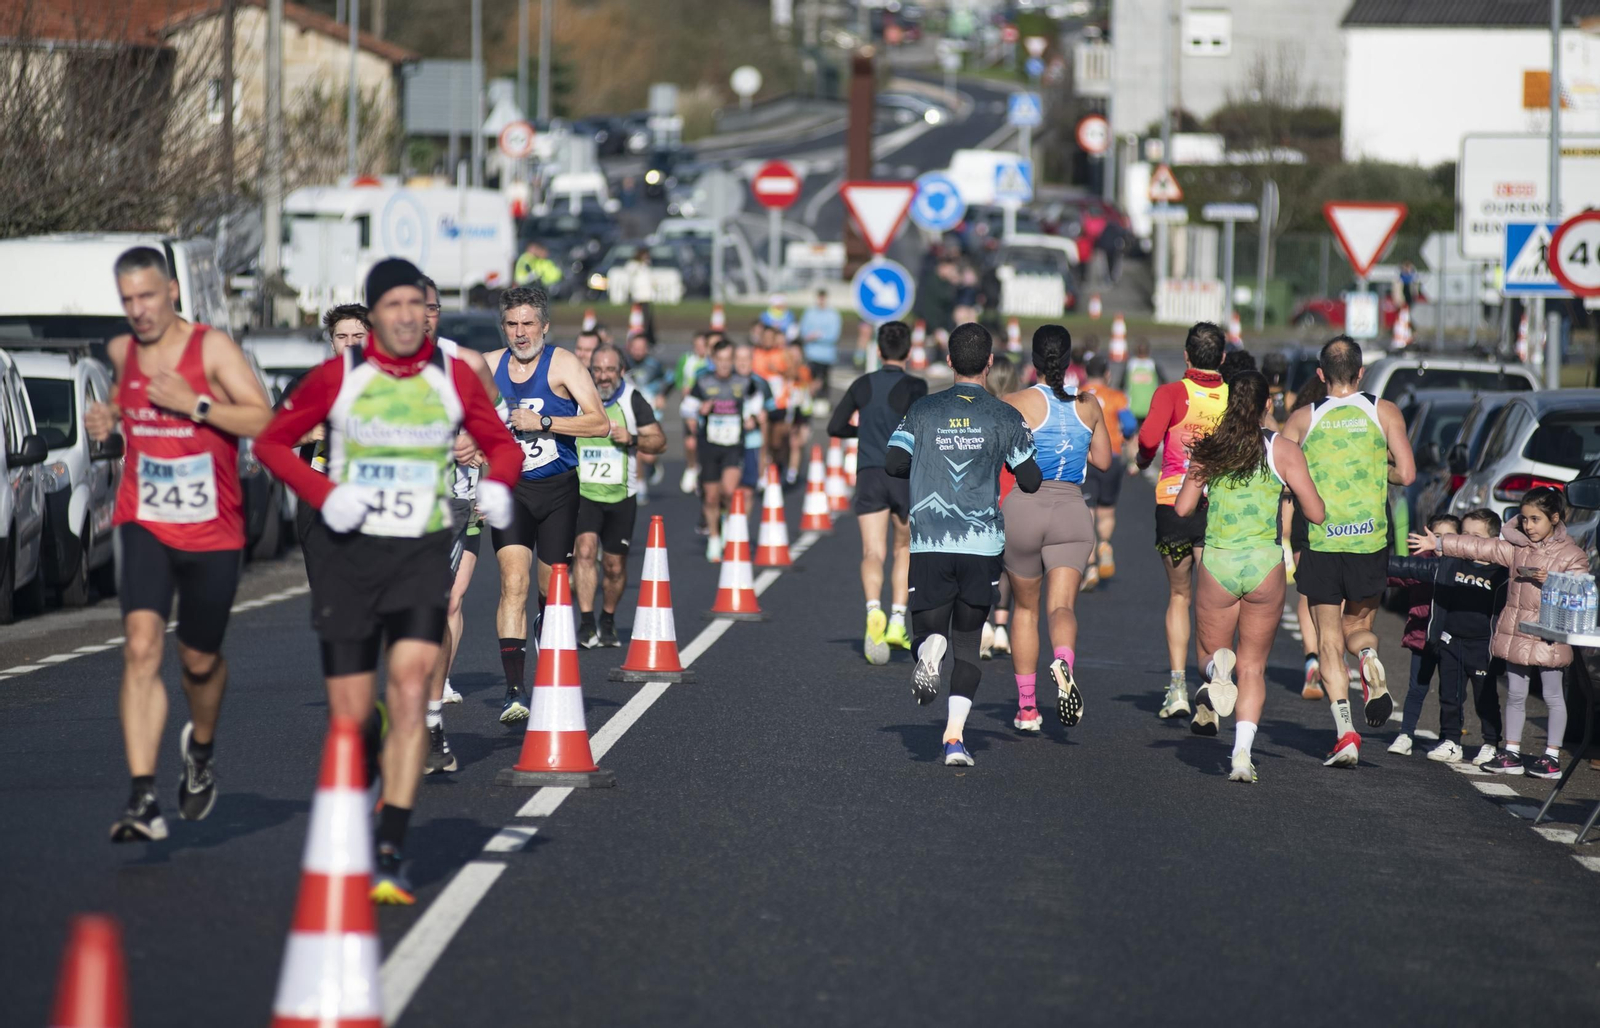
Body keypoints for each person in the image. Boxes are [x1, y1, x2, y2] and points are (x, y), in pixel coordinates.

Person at [254, 258, 523, 902]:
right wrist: (325, 492)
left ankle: (392, 846)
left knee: (409, 694)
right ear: (372, 314)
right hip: (350, 559)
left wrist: (497, 483)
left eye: (416, 305)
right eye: (392, 305)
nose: (406, 316)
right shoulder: (334, 378)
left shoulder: (453, 375)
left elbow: (503, 443)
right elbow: (269, 443)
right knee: (351, 718)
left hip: (419, 555)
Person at [83, 246, 274, 842]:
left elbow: (265, 422)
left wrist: (193, 404)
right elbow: (120, 409)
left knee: (198, 660)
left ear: (171, 290)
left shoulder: (211, 348)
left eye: (147, 296)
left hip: (213, 530)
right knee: (141, 647)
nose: (137, 311)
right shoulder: (121, 352)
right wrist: (106, 421)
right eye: (127, 300)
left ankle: (202, 751)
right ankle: (143, 796)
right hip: (144, 519)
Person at [885, 323, 1043, 768]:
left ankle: (929, 651)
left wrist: (931, 462)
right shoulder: (1006, 415)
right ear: (990, 364)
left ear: (949, 361)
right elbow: (1030, 480)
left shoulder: (923, 409)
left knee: (927, 633)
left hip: (931, 539)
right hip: (982, 543)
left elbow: (894, 461)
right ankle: (954, 739)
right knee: (969, 646)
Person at [1174, 371, 1324, 781]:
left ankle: (1214, 675)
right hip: (1264, 565)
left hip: (1219, 562)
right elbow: (1316, 513)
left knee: (1210, 654)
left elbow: (1183, 509)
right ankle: (1242, 754)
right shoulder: (1284, 450)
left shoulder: (1210, 450)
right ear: (1268, 405)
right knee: (1254, 667)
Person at [1281, 335, 1415, 767]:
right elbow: (1409, 474)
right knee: (1359, 629)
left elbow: (1281, 475)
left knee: (1328, 640)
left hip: (1322, 541)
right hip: (1369, 541)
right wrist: (1379, 470)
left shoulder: (1303, 418)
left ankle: (1345, 734)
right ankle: (1371, 659)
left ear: (1320, 376)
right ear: (1361, 374)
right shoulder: (1384, 411)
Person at [483, 286, 611, 725]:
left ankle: (545, 624)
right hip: (511, 491)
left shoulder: (563, 364)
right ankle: (514, 691)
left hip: (558, 490)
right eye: (512, 325)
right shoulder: (486, 366)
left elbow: (601, 423)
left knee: (551, 589)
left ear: (544, 326)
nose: (520, 334)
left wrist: (546, 422)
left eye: (528, 324)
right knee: (512, 582)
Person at [1413, 487, 1589, 779]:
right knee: (1516, 695)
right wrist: (1441, 542)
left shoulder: (1573, 554)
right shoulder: (1516, 547)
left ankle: (1552, 757)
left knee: (1553, 696)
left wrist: (1555, 580)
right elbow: (1481, 547)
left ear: (1554, 519)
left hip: (1550, 633)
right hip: (1517, 631)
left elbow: (1582, 591)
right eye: (1525, 519)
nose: (1529, 526)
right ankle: (1511, 751)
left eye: (1536, 519)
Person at [1000, 326, 1111, 733]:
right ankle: (1063, 660)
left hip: (1025, 507)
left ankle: (1027, 709)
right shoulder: (1089, 405)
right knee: (1062, 607)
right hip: (1071, 510)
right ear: (1070, 362)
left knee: (1025, 610)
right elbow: (1102, 460)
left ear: (1033, 360)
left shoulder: (1015, 402)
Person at [420, 276, 501, 770]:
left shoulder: (464, 365)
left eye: (428, 306)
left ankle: (430, 721)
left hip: (449, 506)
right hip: (383, 510)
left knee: (435, 608)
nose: (419, 316)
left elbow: (500, 424)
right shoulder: (364, 369)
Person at [1135, 322, 1229, 720]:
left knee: (1179, 597)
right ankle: (1211, 678)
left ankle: (1177, 689)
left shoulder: (1171, 393)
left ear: (1187, 356)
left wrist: (1142, 461)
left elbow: (1147, 441)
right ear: (1222, 359)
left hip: (1173, 503)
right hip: (1219, 507)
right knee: (1214, 604)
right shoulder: (1234, 397)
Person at [828, 321, 928, 664]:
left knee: (873, 550)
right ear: (909, 351)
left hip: (870, 471)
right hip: (904, 475)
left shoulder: (862, 384)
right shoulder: (917, 385)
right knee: (904, 549)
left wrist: (864, 431)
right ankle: (898, 621)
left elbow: (834, 426)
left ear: (879, 350)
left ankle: (874, 611)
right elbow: (923, 427)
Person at [1388, 511, 1508, 763]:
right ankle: (1452, 741)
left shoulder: (1503, 573)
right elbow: (1411, 567)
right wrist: (1371, 566)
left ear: (1495, 540)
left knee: (1484, 698)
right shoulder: (1451, 564)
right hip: (1451, 641)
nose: (1467, 541)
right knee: (1449, 696)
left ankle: (1490, 743)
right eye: (1463, 535)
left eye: (1476, 537)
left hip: (1482, 646)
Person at [574, 342, 666, 648]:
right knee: (585, 552)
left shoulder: (632, 399)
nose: (603, 376)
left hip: (621, 495)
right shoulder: (578, 396)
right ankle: (586, 623)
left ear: (621, 371)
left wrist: (633, 438)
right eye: (597, 369)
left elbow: (660, 442)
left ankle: (608, 619)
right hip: (584, 491)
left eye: (609, 370)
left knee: (614, 566)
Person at [684, 339, 758, 560]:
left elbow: (755, 401)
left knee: (728, 490)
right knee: (711, 496)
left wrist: (752, 418)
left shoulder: (744, 382)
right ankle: (714, 538)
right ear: (713, 360)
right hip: (709, 445)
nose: (725, 365)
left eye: (729, 360)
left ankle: (726, 524)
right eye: (721, 360)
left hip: (734, 444)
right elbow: (686, 408)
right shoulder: (704, 382)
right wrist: (700, 411)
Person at [1286, 373, 1329, 698]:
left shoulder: (1300, 419)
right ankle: (1332, 659)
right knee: (1336, 595)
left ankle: (1311, 660)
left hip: (1302, 511)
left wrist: (1285, 523)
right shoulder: (1345, 419)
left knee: (1306, 594)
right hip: (1339, 514)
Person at [1079, 355, 1135, 584]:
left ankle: (1090, 565)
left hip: (1086, 459)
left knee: (1087, 514)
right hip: (1111, 457)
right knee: (1107, 511)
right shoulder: (1117, 397)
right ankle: (1104, 545)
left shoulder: (1077, 394)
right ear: (1107, 373)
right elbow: (1130, 424)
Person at [980, 355, 1020, 661]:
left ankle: (981, 624)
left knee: (983, 561)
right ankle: (1003, 626)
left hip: (983, 497)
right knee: (1009, 566)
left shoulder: (981, 413)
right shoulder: (1020, 414)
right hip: (1015, 498)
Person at [732, 342, 774, 521]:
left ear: (752, 360)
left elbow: (768, 418)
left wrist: (765, 456)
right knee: (729, 489)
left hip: (753, 442)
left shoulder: (762, 384)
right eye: (738, 359)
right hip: (728, 443)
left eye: (746, 359)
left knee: (748, 489)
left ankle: (740, 531)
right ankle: (725, 524)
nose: (742, 363)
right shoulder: (724, 382)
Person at [671, 331, 711, 493]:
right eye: (697, 346)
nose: (700, 349)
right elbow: (679, 381)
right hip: (691, 405)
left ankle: (704, 472)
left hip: (708, 407)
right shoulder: (687, 360)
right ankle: (692, 467)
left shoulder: (711, 362)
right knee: (690, 441)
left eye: (703, 346)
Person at [799, 289, 842, 406]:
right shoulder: (809, 312)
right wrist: (810, 336)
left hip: (826, 355)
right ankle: (809, 401)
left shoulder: (833, 314)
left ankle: (822, 402)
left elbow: (833, 335)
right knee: (809, 378)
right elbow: (803, 331)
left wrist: (818, 336)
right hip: (811, 353)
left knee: (823, 379)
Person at [1125, 339, 1160, 421]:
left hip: (1132, 408)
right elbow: (1164, 383)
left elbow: (1120, 385)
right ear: (1149, 351)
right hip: (1150, 408)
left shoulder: (1130, 365)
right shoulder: (1153, 365)